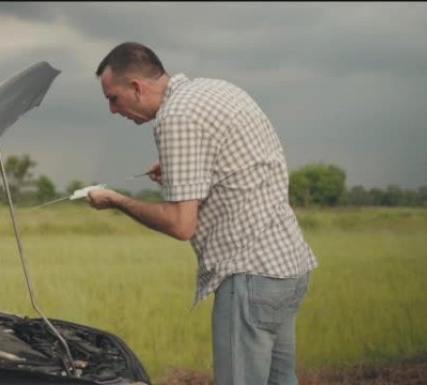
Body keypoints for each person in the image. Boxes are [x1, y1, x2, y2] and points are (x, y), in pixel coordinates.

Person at [86, 42, 318, 385]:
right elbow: (239, 165)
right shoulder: (214, 91)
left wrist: (117, 201)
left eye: (113, 98)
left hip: (249, 276)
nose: (112, 109)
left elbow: (181, 225)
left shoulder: (175, 118)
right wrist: (182, 169)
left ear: (136, 87)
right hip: (287, 269)